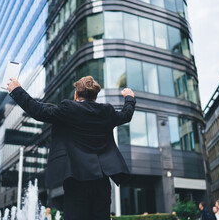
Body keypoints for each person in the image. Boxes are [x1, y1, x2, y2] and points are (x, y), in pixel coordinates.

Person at [8, 76, 136, 220]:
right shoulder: (106, 111)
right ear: (95, 96)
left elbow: (38, 111)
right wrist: (129, 97)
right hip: (102, 180)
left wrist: (17, 90)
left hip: (76, 179)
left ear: (76, 94)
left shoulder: (68, 108)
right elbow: (126, 115)